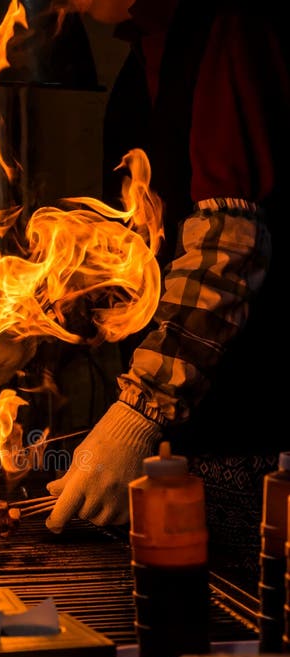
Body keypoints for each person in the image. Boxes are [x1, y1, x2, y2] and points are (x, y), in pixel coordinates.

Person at [44, 0, 290, 576]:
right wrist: (38, 325)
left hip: (261, 444)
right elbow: (144, 259)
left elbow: (229, 244)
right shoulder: (138, 66)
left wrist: (138, 413)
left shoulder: (232, 28)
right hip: (188, 445)